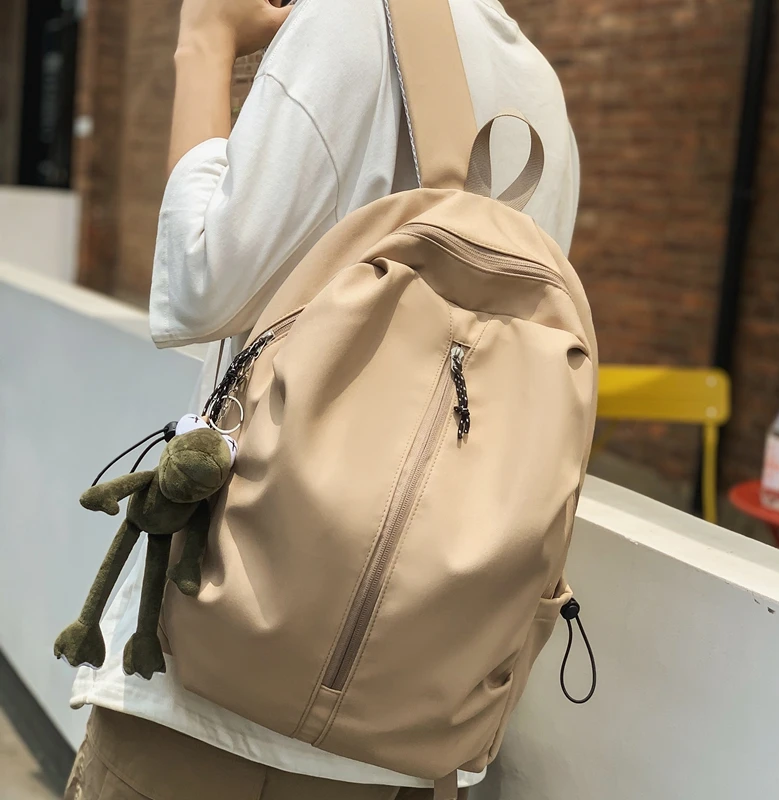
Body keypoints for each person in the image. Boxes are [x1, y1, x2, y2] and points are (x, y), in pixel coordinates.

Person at [65, 0, 579, 798]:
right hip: (408, 737)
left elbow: (196, 290)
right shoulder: (541, 95)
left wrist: (203, 42)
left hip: (212, 715)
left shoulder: (349, 21)